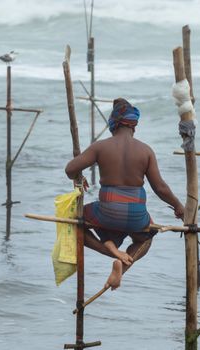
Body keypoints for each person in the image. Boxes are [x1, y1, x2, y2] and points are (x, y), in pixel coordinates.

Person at [65, 98, 184, 290]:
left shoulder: (100, 146)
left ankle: (112, 253)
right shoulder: (146, 151)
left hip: (107, 211)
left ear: (113, 124)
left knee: (73, 220)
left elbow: (70, 169)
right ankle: (123, 263)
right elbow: (160, 188)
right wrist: (179, 206)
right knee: (146, 237)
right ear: (134, 126)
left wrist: (78, 176)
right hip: (137, 215)